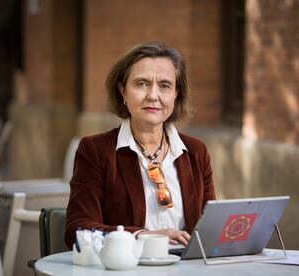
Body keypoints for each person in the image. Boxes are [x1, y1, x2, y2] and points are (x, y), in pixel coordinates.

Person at [65, 41, 215, 249]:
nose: (153, 96)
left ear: (176, 93)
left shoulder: (196, 152)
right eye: (142, 83)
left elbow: (210, 229)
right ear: (123, 91)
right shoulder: (96, 151)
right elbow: (79, 230)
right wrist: (144, 236)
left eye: (164, 85)